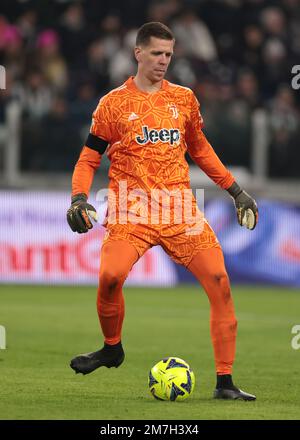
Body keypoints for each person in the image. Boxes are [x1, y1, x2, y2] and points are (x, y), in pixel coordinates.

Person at [67, 22, 258, 401]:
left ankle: (224, 381)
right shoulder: (113, 103)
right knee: (109, 277)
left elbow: (200, 149)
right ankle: (111, 347)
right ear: (138, 53)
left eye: (169, 54)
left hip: (179, 210)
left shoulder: (184, 99)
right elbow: (89, 159)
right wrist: (78, 198)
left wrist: (236, 191)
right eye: (156, 53)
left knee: (219, 282)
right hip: (131, 209)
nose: (163, 61)